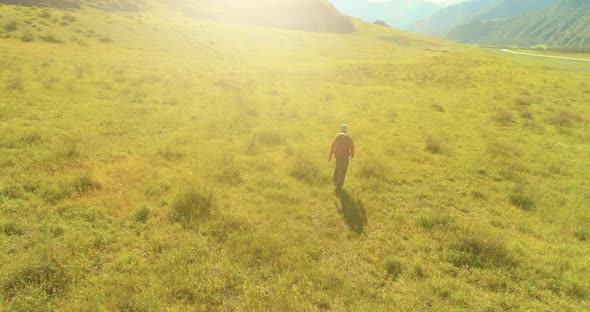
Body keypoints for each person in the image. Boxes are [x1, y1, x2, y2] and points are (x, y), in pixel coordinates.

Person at [329, 124, 355, 190]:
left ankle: (335, 181)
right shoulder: (348, 138)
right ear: (346, 130)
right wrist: (352, 155)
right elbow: (352, 147)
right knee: (343, 170)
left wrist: (330, 156)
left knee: (337, 168)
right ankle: (340, 185)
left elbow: (332, 146)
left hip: (338, 157)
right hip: (345, 157)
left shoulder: (337, 136)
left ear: (341, 129)